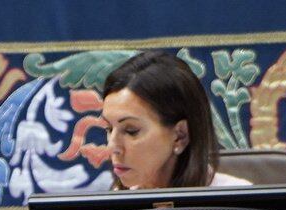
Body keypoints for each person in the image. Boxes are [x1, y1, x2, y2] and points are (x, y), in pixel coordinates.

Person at [100, 50, 249, 190]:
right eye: (109, 129)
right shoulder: (115, 204)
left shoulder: (238, 200)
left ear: (180, 136)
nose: (112, 147)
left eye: (131, 131)